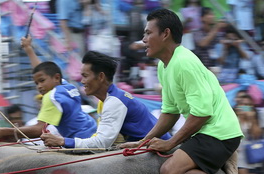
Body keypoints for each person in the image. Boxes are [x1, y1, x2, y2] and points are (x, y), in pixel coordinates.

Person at [120, 8, 244, 174]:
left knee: (170, 172)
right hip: (204, 131)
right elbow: (170, 112)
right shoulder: (163, 65)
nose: (144, 39)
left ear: (165, 34)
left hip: (218, 132)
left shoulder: (184, 62)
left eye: (148, 33)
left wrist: (169, 143)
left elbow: (202, 112)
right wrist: (144, 141)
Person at [41, 50, 169, 149]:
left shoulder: (114, 101)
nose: (82, 81)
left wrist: (63, 141)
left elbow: (102, 143)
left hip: (157, 149)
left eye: (85, 76)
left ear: (101, 77)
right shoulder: (107, 100)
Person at [0, 36, 97, 144]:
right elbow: (43, 71)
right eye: (36, 83)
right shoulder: (65, 85)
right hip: (94, 131)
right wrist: (29, 49)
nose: (39, 86)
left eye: (42, 81)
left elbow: (39, 130)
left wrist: (5, 131)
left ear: (56, 77)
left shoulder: (51, 97)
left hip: (82, 142)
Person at [234, 93, 261, 174]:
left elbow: (257, 135)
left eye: (248, 105)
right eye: (242, 104)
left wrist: (252, 119)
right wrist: (240, 117)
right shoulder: (234, 118)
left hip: (252, 157)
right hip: (239, 158)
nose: (245, 107)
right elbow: (235, 134)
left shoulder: (253, 118)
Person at [193, 7, 226, 73]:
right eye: (210, 14)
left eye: (213, 14)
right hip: (200, 69)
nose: (213, 16)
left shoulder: (217, 35)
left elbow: (221, 56)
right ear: (202, 18)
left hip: (215, 68)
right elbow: (203, 44)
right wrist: (216, 28)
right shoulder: (197, 33)